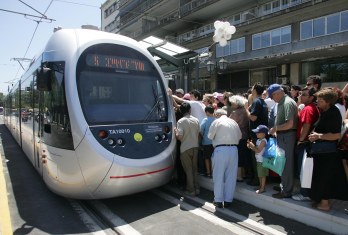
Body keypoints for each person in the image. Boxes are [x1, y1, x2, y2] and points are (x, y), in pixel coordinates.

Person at [308, 88, 348, 211]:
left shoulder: (333, 113)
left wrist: (318, 136)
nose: (317, 102)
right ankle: (322, 201)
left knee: (324, 178)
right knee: (321, 177)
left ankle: (325, 204)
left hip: (327, 153)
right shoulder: (325, 111)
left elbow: (336, 135)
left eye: (320, 100)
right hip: (322, 152)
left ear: (328, 102)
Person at [268, 83, 298, 199]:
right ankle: (284, 186)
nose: (272, 99)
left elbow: (290, 124)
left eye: (272, 96)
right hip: (284, 136)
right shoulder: (283, 102)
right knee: (283, 163)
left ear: (277, 93)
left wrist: (276, 128)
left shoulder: (287, 103)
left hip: (287, 136)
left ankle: (286, 191)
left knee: (286, 164)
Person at [208, 109, 242, 208]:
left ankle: (218, 200)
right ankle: (228, 200)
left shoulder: (217, 121)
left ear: (217, 114)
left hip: (221, 149)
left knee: (218, 175)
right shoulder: (233, 122)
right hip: (234, 149)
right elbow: (239, 136)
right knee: (231, 176)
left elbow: (210, 136)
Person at [292, 87, 320, 201]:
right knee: (306, 169)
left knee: (304, 170)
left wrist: (301, 140)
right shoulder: (312, 107)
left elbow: (306, 125)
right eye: (301, 94)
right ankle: (305, 192)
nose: (301, 96)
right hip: (308, 143)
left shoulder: (308, 109)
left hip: (305, 143)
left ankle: (305, 194)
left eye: (304, 94)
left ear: (311, 97)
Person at [244, 83, 269, 187]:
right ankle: (260, 180)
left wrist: (246, 109)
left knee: (256, 159)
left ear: (254, 91)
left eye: (252, 88)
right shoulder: (262, 102)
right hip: (262, 134)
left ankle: (256, 181)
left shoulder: (256, 101)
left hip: (257, 135)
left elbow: (253, 117)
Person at [174, 102, 200, 196]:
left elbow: (180, 137)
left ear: (181, 111)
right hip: (195, 146)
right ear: (190, 110)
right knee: (194, 169)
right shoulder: (196, 120)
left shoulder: (180, 121)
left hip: (185, 148)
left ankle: (191, 190)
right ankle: (197, 188)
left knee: (188, 170)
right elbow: (198, 134)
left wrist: (175, 131)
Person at [229, 95, 250, 182]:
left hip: (237, 136)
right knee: (244, 155)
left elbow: (229, 123)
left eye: (233, 103)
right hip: (246, 135)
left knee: (238, 156)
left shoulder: (235, 113)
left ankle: (239, 175)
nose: (232, 105)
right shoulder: (246, 111)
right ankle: (244, 174)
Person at [247, 125, 269, 194]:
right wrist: (250, 146)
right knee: (260, 174)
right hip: (259, 160)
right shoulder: (258, 140)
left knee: (262, 175)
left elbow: (258, 150)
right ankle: (260, 186)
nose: (256, 134)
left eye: (258, 132)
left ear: (263, 134)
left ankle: (262, 188)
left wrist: (252, 145)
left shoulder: (263, 141)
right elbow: (256, 149)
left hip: (262, 161)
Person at [200, 105, 215, 178]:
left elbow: (201, 131)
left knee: (206, 158)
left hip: (206, 142)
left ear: (207, 112)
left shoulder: (205, 120)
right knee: (213, 158)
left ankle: (208, 173)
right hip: (215, 142)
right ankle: (213, 172)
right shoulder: (216, 120)